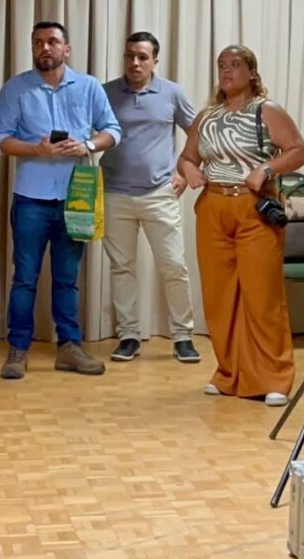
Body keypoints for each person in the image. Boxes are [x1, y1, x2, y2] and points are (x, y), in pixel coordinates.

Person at [178, 45, 304, 406]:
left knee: (261, 295)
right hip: (213, 206)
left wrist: (266, 169)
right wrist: (189, 170)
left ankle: (273, 377)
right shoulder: (207, 117)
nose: (226, 70)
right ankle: (229, 372)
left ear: (252, 72)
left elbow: (299, 151)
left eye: (235, 64)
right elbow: (187, 157)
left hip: (254, 208)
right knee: (219, 295)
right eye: (222, 65)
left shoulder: (266, 111)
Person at [0, 21, 121, 379]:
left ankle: (69, 348)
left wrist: (87, 145)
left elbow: (113, 130)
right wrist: (37, 149)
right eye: (38, 42)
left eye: (52, 42)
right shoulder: (15, 88)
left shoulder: (89, 86)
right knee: (25, 278)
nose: (44, 48)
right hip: (30, 199)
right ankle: (18, 349)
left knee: (67, 279)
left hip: (75, 197)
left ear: (66, 49)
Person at [100, 32, 199, 363]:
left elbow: (197, 132)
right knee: (121, 268)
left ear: (155, 60)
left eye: (142, 57)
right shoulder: (106, 92)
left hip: (159, 194)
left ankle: (183, 336)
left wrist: (184, 171)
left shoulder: (172, 93)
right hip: (114, 194)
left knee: (174, 266)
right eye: (129, 55)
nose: (135, 62)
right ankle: (128, 335)